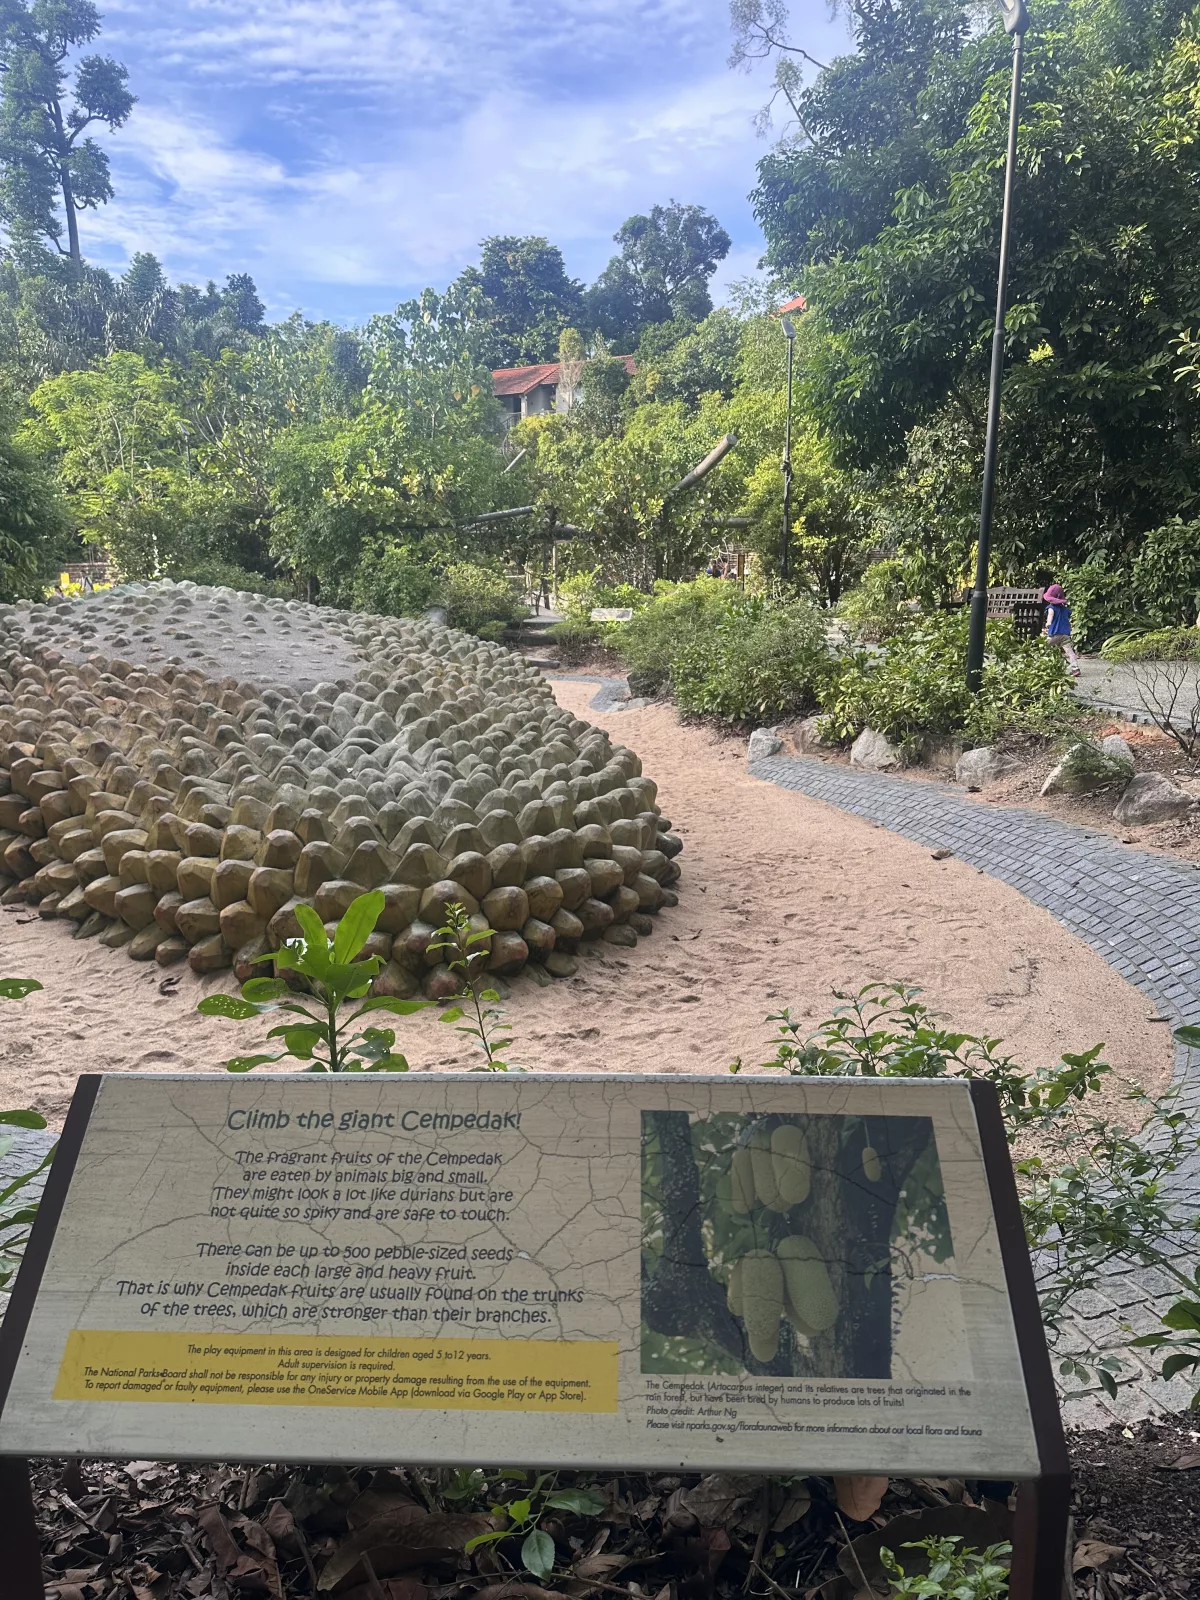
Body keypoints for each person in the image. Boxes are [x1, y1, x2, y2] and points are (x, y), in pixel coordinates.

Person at [1042, 583, 1080, 676]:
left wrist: (1048, 624)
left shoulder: (1051, 608)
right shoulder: (1065, 609)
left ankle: (1043, 666)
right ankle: (1075, 668)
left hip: (1055, 634)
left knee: (1043, 647)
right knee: (1069, 651)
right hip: (1065, 634)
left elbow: (1050, 615)